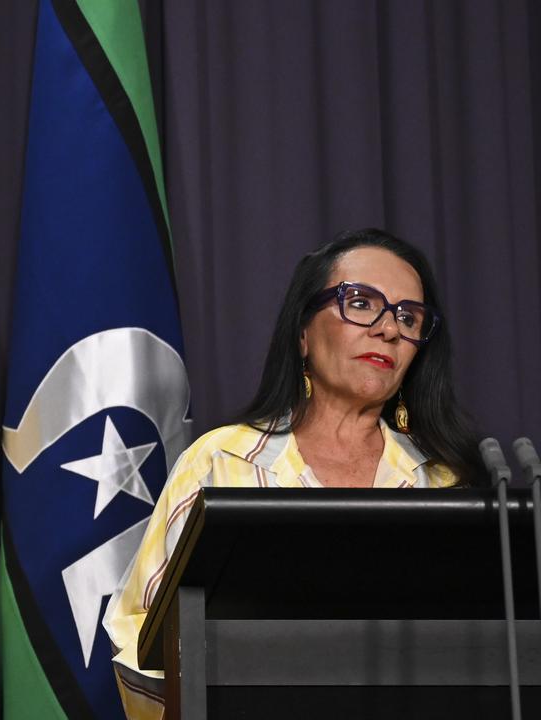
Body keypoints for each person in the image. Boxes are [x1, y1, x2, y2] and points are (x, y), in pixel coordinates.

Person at [101, 228, 486, 719]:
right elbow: (140, 634)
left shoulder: (446, 483)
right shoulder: (220, 463)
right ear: (303, 333)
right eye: (362, 303)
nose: (388, 329)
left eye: (408, 317)